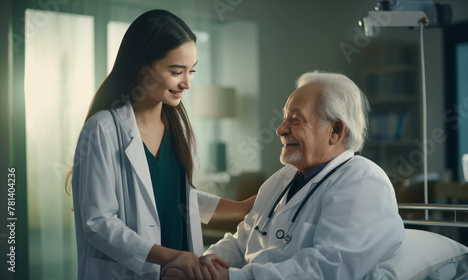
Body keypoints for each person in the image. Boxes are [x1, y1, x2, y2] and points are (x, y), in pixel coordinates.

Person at [162, 71, 405, 279]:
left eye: (296, 119)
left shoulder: (363, 182)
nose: (280, 130)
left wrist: (231, 277)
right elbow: (241, 240)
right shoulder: (282, 179)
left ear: (335, 130)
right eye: (284, 117)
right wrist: (200, 265)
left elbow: (328, 269)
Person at [69, 9, 255, 280]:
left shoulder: (178, 129)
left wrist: (240, 207)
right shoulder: (103, 129)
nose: (187, 83)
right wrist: (172, 256)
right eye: (177, 71)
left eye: (192, 71)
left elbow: (180, 197)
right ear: (143, 67)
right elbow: (98, 224)